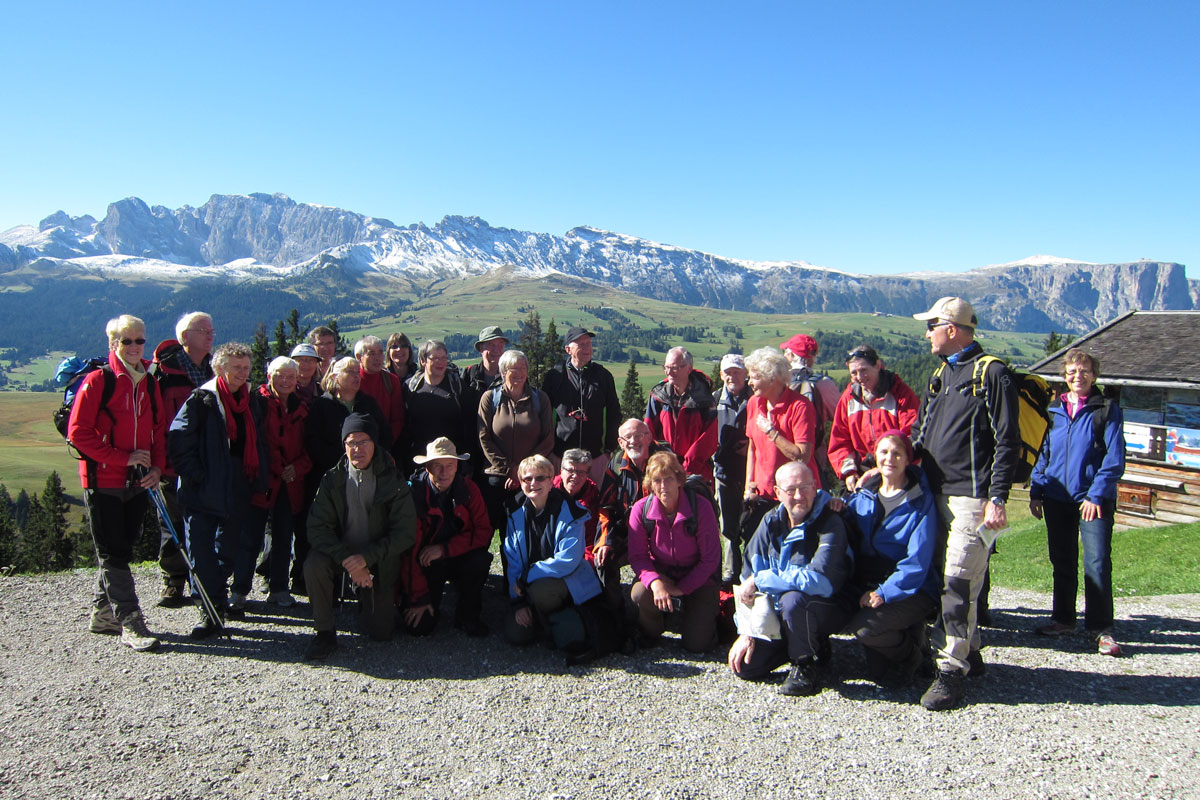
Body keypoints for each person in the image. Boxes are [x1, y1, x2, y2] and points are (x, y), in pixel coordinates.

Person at [910, 296, 1019, 711]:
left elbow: (1007, 441)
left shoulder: (991, 373)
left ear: (951, 329)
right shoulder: (942, 374)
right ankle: (969, 650)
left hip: (972, 499)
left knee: (957, 582)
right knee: (949, 577)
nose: (927, 334)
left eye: (931, 326)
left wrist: (998, 498)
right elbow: (921, 433)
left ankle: (950, 673)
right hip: (935, 494)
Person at [69, 314, 166, 652]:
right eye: (127, 341)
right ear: (113, 344)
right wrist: (121, 458)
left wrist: (157, 468)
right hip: (104, 479)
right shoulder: (99, 381)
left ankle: (104, 615)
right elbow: (78, 434)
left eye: (140, 340)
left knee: (120, 548)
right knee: (113, 550)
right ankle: (130, 621)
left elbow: (158, 432)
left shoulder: (149, 382)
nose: (135, 346)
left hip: (137, 480)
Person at [168, 342, 270, 639]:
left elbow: (258, 443)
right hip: (204, 487)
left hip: (237, 484)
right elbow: (179, 441)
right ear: (220, 368)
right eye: (236, 367)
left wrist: (258, 480)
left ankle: (217, 600)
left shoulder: (250, 400)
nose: (243, 373)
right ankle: (208, 609)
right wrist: (197, 476)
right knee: (200, 552)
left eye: (246, 367)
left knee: (227, 550)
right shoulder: (202, 399)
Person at [1030, 348, 1126, 656]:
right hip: (1057, 496)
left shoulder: (1106, 410)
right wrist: (1037, 490)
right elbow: (1043, 453)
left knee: (1097, 564)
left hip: (1093, 500)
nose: (1078, 376)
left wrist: (1096, 494)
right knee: (1062, 561)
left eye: (1084, 371)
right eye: (1072, 371)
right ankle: (1063, 620)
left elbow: (1114, 458)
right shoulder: (1054, 410)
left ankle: (1101, 629)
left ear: (1094, 375)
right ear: (1064, 376)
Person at [728, 462, 851, 696]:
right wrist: (747, 631)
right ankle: (806, 641)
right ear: (777, 492)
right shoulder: (770, 521)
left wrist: (762, 580)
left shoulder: (830, 522)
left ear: (815, 487)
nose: (799, 496)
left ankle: (803, 664)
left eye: (804, 488)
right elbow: (747, 576)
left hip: (828, 606)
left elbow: (821, 582)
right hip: (778, 614)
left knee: (792, 599)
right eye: (791, 490)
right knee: (745, 666)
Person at [302, 414, 416, 660]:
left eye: (364, 441)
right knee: (313, 563)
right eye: (351, 442)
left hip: (378, 558)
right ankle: (324, 631)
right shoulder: (332, 479)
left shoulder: (393, 480)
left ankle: (364, 595)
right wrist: (350, 561)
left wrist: (365, 558)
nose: (357, 449)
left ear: (375, 443)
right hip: (341, 554)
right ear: (344, 445)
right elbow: (316, 529)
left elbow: (405, 534)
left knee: (381, 632)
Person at [843, 432, 940, 685]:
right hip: (871, 582)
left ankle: (914, 654)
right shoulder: (864, 494)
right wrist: (832, 504)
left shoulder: (920, 501)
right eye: (884, 452)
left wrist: (884, 593)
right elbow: (846, 526)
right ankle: (912, 636)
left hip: (912, 588)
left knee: (866, 629)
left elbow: (918, 561)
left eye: (897, 453)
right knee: (881, 674)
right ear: (875, 456)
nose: (890, 459)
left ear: (908, 459)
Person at [230, 356, 310, 612]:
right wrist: (278, 467)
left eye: (290, 376)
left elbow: (311, 445)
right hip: (261, 479)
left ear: (297, 380)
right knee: (250, 537)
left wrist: (297, 468)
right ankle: (239, 590)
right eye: (279, 376)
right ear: (269, 377)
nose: (285, 381)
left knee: (283, 536)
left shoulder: (302, 407)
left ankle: (279, 588)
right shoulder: (257, 403)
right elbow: (256, 442)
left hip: (290, 482)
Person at [502, 455, 602, 654]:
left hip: (565, 582)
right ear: (520, 482)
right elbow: (513, 561)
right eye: (527, 478)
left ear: (551, 481)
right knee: (515, 634)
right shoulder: (514, 512)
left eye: (540, 478)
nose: (533, 483)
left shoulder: (572, 511)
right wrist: (518, 603)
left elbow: (568, 560)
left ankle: (562, 622)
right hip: (527, 585)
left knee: (541, 590)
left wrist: (527, 577)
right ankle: (546, 621)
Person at [150, 310, 214, 606]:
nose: (210, 335)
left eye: (211, 330)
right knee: (173, 525)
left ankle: (203, 582)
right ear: (185, 337)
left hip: (207, 463)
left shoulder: (214, 370)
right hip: (172, 464)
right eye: (203, 330)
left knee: (204, 524)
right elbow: (155, 421)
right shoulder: (164, 374)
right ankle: (173, 582)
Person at [627, 452, 721, 652]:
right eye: (657, 480)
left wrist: (681, 589)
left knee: (698, 645)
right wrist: (656, 584)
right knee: (639, 594)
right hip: (663, 572)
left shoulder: (700, 507)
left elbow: (710, 559)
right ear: (650, 484)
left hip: (699, 576)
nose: (663, 486)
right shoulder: (640, 510)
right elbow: (638, 557)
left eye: (668, 479)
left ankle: (697, 617)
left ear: (679, 480)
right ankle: (655, 628)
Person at [401, 438, 493, 637]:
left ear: (457, 466)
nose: (444, 472)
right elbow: (408, 549)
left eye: (449, 465)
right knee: (419, 627)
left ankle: (468, 615)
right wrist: (419, 598)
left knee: (480, 560)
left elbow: (483, 531)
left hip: (456, 555)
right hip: (426, 561)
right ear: (427, 467)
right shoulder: (413, 494)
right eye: (438, 466)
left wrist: (444, 549)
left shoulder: (469, 489)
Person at [743, 347, 820, 540]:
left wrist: (772, 432)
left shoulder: (800, 406)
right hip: (763, 494)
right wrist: (748, 486)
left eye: (755, 377)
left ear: (772, 378)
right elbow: (752, 449)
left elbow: (802, 456)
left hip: (795, 495)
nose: (749, 382)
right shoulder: (754, 403)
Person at [595, 419, 672, 598]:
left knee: (649, 586)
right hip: (629, 531)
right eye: (627, 437)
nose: (633, 441)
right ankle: (615, 611)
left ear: (649, 437)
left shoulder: (665, 459)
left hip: (663, 533)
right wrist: (605, 541)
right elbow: (606, 506)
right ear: (620, 442)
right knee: (603, 560)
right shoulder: (616, 464)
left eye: (638, 435)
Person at [827, 344, 920, 493]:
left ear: (877, 365)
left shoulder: (900, 395)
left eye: (864, 370)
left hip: (895, 470)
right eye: (854, 373)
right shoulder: (849, 399)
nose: (860, 377)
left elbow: (912, 437)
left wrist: (883, 467)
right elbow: (840, 441)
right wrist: (849, 472)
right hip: (860, 470)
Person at [478, 349, 554, 531]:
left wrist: (523, 472)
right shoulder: (490, 399)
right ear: (503, 372)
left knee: (525, 532)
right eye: (514, 369)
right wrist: (509, 469)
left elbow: (548, 439)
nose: (520, 373)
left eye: (523, 368)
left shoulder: (540, 399)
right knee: (487, 530)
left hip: (530, 479)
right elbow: (484, 438)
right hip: (497, 477)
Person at [542, 326, 622, 486]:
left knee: (595, 498)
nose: (587, 348)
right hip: (561, 457)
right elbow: (544, 415)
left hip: (596, 458)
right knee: (560, 496)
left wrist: (608, 450)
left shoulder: (603, 376)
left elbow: (614, 413)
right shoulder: (554, 376)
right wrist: (549, 451)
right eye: (581, 344)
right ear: (568, 349)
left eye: (589, 343)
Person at [644, 346, 718, 483]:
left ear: (689, 369)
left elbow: (709, 439)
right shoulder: (658, 396)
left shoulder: (705, 399)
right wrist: (661, 462)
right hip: (664, 470)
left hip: (696, 472)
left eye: (674, 368)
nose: (669, 372)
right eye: (666, 367)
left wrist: (686, 469)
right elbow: (648, 431)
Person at [712, 353, 752, 584]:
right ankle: (731, 571)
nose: (732, 376)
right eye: (727, 372)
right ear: (721, 375)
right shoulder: (714, 400)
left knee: (752, 523)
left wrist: (752, 447)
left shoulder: (757, 398)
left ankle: (751, 570)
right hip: (723, 470)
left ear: (745, 374)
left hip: (751, 472)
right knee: (727, 525)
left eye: (737, 372)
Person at [779, 333, 840, 479]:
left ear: (791, 356)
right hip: (813, 458)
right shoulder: (824, 385)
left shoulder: (777, 382)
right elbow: (841, 418)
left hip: (778, 452)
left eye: (786, 352)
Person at [407, 339, 470, 462]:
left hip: (452, 455)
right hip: (420, 456)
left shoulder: (457, 386)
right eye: (435, 358)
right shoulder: (411, 387)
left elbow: (469, 422)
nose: (440, 362)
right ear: (423, 361)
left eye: (443, 358)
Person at [462, 326, 509, 484]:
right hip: (471, 450)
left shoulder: (511, 377)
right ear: (481, 349)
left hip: (501, 452)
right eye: (491, 345)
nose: (496, 350)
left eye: (500, 345)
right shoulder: (469, 375)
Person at [354, 335, 406, 457]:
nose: (377, 358)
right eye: (372, 354)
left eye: (380, 353)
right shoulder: (354, 381)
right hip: (356, 447)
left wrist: (385, 444)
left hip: (385, 447)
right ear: (359, 357)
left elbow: (398, 418)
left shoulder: (391, 381)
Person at [553, 449, 600, 564]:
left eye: (581, 472)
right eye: (570, 470)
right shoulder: (548, 491)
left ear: (587, 475)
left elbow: (591, 539)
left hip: (581, 555)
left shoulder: (593, 497)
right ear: (561, 471)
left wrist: (584, 563)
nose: (575, 476)